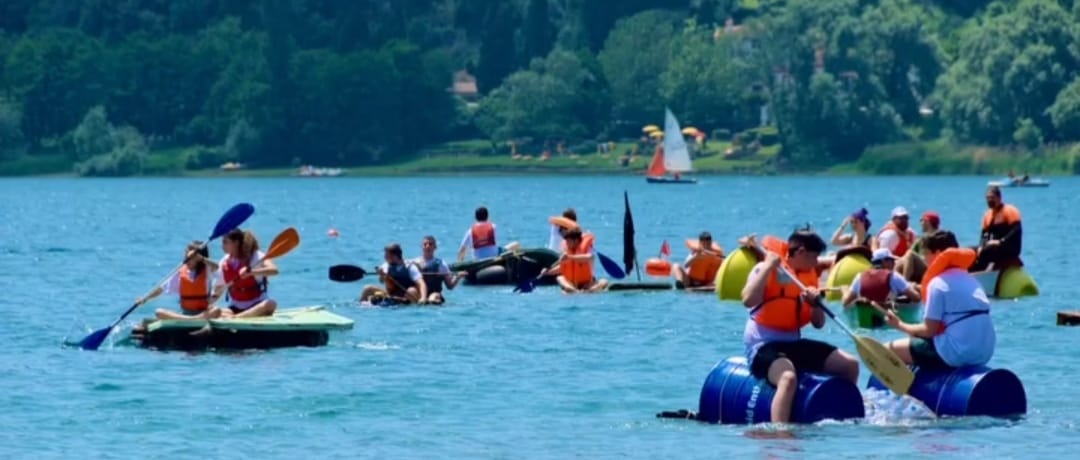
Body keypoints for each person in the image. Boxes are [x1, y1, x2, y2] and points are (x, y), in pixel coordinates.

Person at [741, 229, 859, 424]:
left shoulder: (808, 277)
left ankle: (846, 413)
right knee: (787, 378)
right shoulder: (764, 268)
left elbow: (818, 323)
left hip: (793, 344)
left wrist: (815, 304)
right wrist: (769, 266)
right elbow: (747, 300)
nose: (816, 263)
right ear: (801, 252)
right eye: (814, 257)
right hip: (762, 346)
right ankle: (780, 431)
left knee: (850, 365)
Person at [884, 230, 994, 368]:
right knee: (917, 341)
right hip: (984, 353)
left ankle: (896, 388)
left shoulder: (938, 284)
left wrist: (899, 325)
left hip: (957, 353)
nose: (923, 259)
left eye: (926, 253)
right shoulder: (972, 280)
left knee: (886, 350)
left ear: (937, 253)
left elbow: (929, 330)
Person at [841, 248, 921, 327]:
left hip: (865, 319)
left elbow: (845, 303)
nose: (894, 263)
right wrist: (913, 287)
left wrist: (844, 290)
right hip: (888, 321)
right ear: (884, 262)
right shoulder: (893, 276)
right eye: (891, 260)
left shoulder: (859, 277)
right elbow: (916, 298)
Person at [209, 229, 278, 318]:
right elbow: (218, 290)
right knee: (213, 310)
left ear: (236, 242)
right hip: (235, 308)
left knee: (271, 304)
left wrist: (251, 272)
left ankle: (237, 318)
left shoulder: (256, 256)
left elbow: (274, 270)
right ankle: (237, 317)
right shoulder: (224, 262)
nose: (222, 246)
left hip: (257, 305)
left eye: (225, 242)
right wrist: (207, 302)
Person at [970, 185, 1022, 272]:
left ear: (999, 198)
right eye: (987, 198)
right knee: (970, 251)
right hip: (993, 246)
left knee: (987, 250)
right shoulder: (987, 215)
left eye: (992, 198)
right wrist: (981, 246)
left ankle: (981, 272)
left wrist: (1000, 241)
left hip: (1010, 247)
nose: (989, 200)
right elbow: (984, 235)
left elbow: (1016, 229)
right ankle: (969, 273)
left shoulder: (1010, 210)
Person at [542, 227, 608, 293]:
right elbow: (561, 268)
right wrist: (548, 272)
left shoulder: (587, 250)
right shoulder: (567, 251)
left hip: (587, 284)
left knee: (604, 281)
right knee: (560, 278)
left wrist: (570, 257)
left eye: (568, 241)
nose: (566, 243)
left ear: (576, 241)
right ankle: (574, 290)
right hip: (572, 285)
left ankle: (587, 290)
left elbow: (590, 257)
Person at [362, 243, 428, 304]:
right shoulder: (386, 266)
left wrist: (423, 298)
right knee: (367, 288)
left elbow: (421, 283)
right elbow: (381, 281)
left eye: (387, 256)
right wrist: (381, 275)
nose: (385, 257)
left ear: (395, 256)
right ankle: (361, 307)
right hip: (391, 295)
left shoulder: (410, 267)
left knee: (412, 290)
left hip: (407, 296)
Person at [412, 236, 465, 305]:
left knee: (433, 298)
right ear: (421, 247)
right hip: (418, 295)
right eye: (425, 244)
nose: (427, 246)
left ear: (435, 247)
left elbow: (450, 286)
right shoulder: (413, 262)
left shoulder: (441, 264)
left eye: (430, 244)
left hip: (434, 294)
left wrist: (458, 276)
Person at [898, 210, 941, 283]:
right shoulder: (921, 240)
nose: (920, 223)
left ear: (927, 222)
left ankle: (904, 283)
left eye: (922, 221)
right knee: (901, 261)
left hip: (933, 270)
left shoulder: (940, 238)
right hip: (926, 269)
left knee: (910, 254)